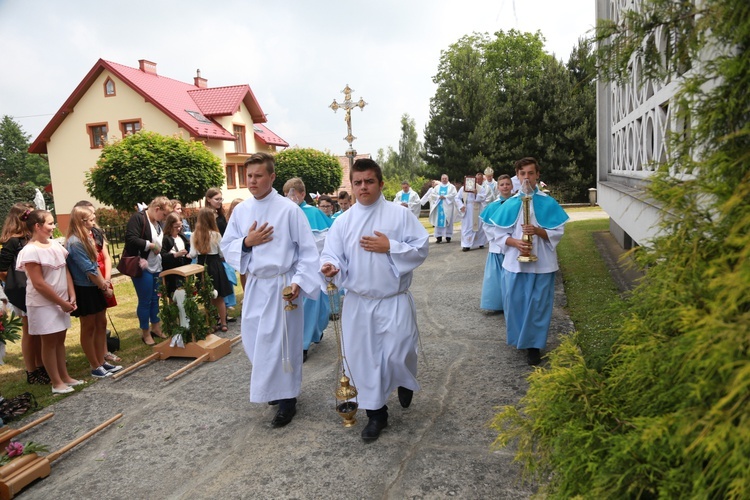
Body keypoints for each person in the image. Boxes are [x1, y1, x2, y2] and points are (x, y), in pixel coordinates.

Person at [321, 158, 429, 443]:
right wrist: (330, 267)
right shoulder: (343, 222)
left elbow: (421, 247)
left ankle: (404, 379)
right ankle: (376, 414)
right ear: (352, 186)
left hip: (393, 299)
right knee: (363, 362)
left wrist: (390, 246)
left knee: (399, 352)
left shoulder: (400, 215)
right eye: (357, 182)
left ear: (381, 184)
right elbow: (331, 254)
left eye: (369, 181)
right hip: (359, 303)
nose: (363, 187)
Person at [220, 152, 322, 428]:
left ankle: (287, 399)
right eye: (249, 176)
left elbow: (308, 252)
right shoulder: (241, 211)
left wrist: (298, 282)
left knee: (281, 344)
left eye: (258, 176)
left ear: (272, 177)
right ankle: (273, 387)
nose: (252, 181)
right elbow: (226, 246)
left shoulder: (288, 210)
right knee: (255, 341)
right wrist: (246, 242)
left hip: (282, 284)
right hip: (255, 284)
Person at [481, 158, 568, 365]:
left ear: (538, 175)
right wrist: (515, 243)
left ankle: (534, 346)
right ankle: (522, 339)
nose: (526, 178)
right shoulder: (510, 203)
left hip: (543, 265)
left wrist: (539, 231)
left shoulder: (548, 202)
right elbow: (497, 234)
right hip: (514, 264)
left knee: (538, 306)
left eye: (530, 173)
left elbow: (558, 232)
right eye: (522, 174)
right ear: (517, 176)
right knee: (516, 304)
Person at [16, 210, 81, 394]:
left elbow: (65, 271)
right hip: (43, 303)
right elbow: (39, 283)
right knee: (49, 341)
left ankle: (65, 376)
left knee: (60, 339)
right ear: (38, 226)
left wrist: (71, 294)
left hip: (61, 300)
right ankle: (56, 382)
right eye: (50, 223)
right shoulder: (30, 251)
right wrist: (61, 301)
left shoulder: (54, 245)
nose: (54, 227)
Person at [65, 206, 121, 378]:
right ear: (82, 221)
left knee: (100, 325)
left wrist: (103, 284)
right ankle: (95, 365)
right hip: (85, 289)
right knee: (88, 327)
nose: (94, 219)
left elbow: (96, 264)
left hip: (94, 286)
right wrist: (105, 287)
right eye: (91, 217)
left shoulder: (87, 237)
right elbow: (89, 269)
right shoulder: (75, 242)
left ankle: (102, 361)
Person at [283, 178, 333, 362]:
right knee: (297, 308)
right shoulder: (285, 213)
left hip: (312, 267)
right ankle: (301, 345)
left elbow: (325, 239)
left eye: (293, 194)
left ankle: (310, 337)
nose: (290, 198)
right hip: (291, 270)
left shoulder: (312, 212)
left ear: (302, 194)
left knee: (315, 306)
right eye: (287, 194)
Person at [0, 203, 48, 385]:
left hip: (35, 288)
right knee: (30, 330)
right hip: (23, 292)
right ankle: (32, 370)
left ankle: (41, 363)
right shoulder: (13, 241)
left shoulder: (30, 238)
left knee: (39, 329)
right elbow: (2, 269)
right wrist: (17, 281)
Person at [124, 196, 171, 346]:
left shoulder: (157, 223)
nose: (164, 219)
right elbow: (131, 239)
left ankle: (156, 327)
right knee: (145, 300)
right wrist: (150, 245)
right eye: (164, 215)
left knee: (155, 297)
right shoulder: (138, 219)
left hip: (155, 265)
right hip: (141, 266)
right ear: (157, 209)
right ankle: (145, 332)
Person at [188, 208, 233, 332]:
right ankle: (223, 323)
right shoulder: (216, 234)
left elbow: (192, 254)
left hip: (202, 266)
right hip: (215, 265)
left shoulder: (194, 235)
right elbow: (221, 252)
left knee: (207, 296)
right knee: (219, 297)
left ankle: (211, 323)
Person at [479, 175, 514, 313]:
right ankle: (497, 304)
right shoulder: (492, 206)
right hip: (497, 247)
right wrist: (501, 237)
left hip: (513, 245)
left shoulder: (518, 204)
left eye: (507, 184)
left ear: (512, 186)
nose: (505, 187)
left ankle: (512, 303)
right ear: (498, 187)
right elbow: (487, 226)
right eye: (502, 184)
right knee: (496, 277)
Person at [455, 172, 489, 251]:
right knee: (467, 227)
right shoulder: (463, 188)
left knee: (479, 226)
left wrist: (477, 194)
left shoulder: (480, 188)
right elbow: (457, 198)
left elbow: (483, 198)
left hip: (478, 208)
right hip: (467, 209)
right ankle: (466, 244)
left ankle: (480, 243)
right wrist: (461, 206)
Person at [160, 212, 192, 296]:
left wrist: (188, 255)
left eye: (180, 226)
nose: (178, 229)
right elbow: (162, 255)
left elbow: (188, 249)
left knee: (186, 292)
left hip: (183, 268)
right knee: (174, 294)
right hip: (172, 271)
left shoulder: (182, 237)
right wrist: (176, 254)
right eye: (176, 227)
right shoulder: (166, 239)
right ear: (170, 226)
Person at [426, 175, 458, 244]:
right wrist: (438, 197)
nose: (444, 180)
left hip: (448, 207)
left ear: (447, 179)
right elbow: (432, 195)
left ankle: (448, 237)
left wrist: (445, 197)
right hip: (439, 206)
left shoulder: (452, 187)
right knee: (438, 221)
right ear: (441, 179)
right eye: (443, 178)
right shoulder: (437, 187)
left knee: (448, 221)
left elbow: (454, 195)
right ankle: (438, 237)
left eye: (445, 178)